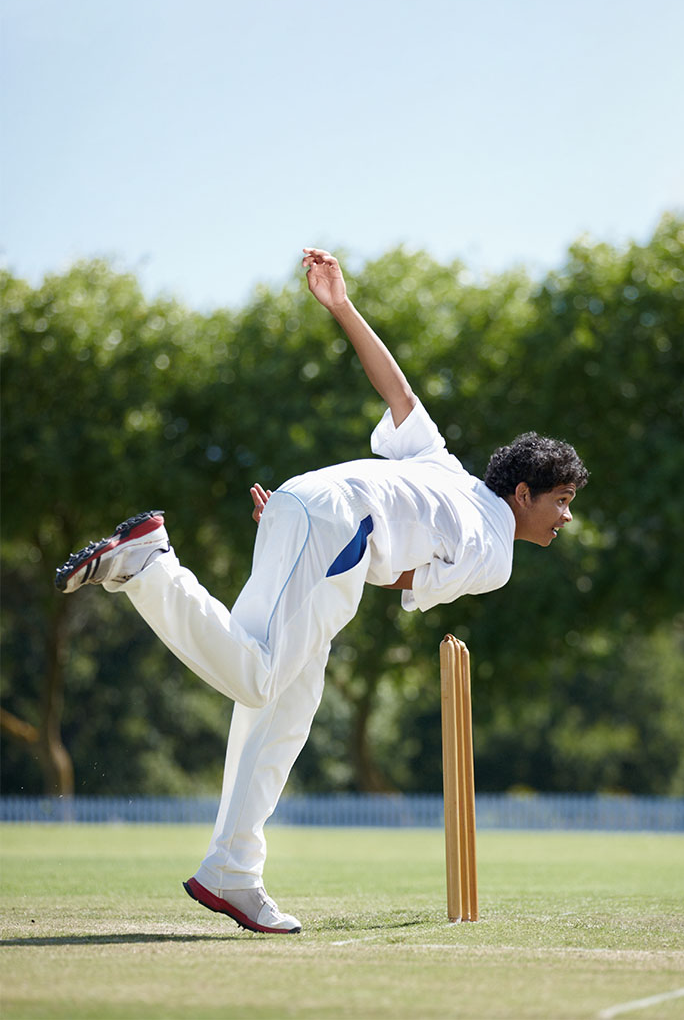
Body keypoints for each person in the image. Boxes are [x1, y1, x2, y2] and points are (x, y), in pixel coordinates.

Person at [55, 248, 588, 935]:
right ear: (524, 493)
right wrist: (313, 541)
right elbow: (400, 575)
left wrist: (342, 306)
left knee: (285, 706)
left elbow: (398, 391)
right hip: (339, 529)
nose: (566, 517)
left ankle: (233, 872)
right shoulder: (494, 552)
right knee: (261, 676)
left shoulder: (445, 466)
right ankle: (150, 565)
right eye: (563, 500)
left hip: (306, 501)